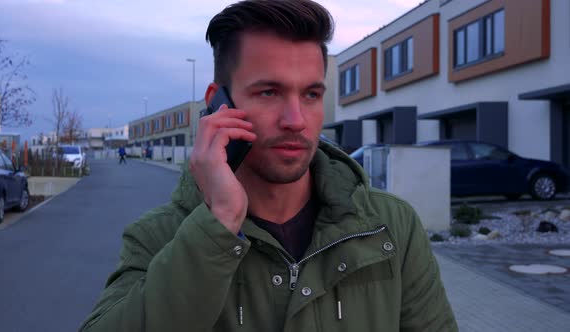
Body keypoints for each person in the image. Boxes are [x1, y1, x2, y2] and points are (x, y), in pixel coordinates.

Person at [79, 1, 457, 331]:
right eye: (269, 92)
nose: (296, 119)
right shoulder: (160, 237)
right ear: (218, 103)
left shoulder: (391, 228)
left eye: (311, 94)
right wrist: (219, 224)